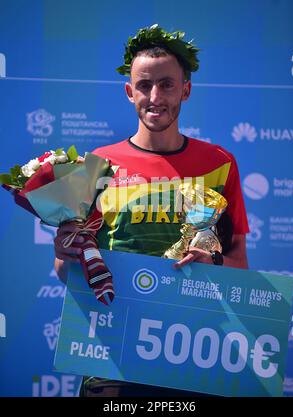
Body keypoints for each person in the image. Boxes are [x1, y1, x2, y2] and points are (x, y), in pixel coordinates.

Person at [54, 24, 249, 397]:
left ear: (186, 90)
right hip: (113, 356)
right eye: (144, 85)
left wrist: (215, 266)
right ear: (130, 92)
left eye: (167, 84)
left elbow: (240, 263)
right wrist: (63, 253)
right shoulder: (97, 165)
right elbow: (67, 272)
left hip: (193, 354)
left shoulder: (220, 163)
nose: (154, 96)